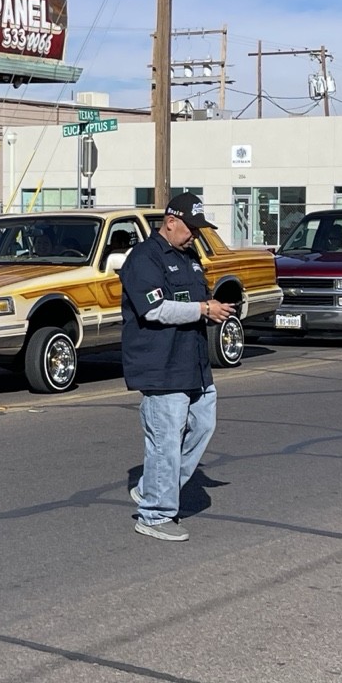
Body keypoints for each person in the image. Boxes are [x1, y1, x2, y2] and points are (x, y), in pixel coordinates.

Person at [120, 192, 234, 542]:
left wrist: (214, 310)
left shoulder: (190, 256)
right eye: (191, 228)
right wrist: (203, 309)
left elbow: (194, 300)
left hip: (194, 364)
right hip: (161, 366)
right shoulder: (144, 258)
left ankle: (152, 487)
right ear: (170, 222)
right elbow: (155, 310)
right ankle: (155, 513)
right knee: (166, 441)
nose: (195, 235)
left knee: (203, 425)